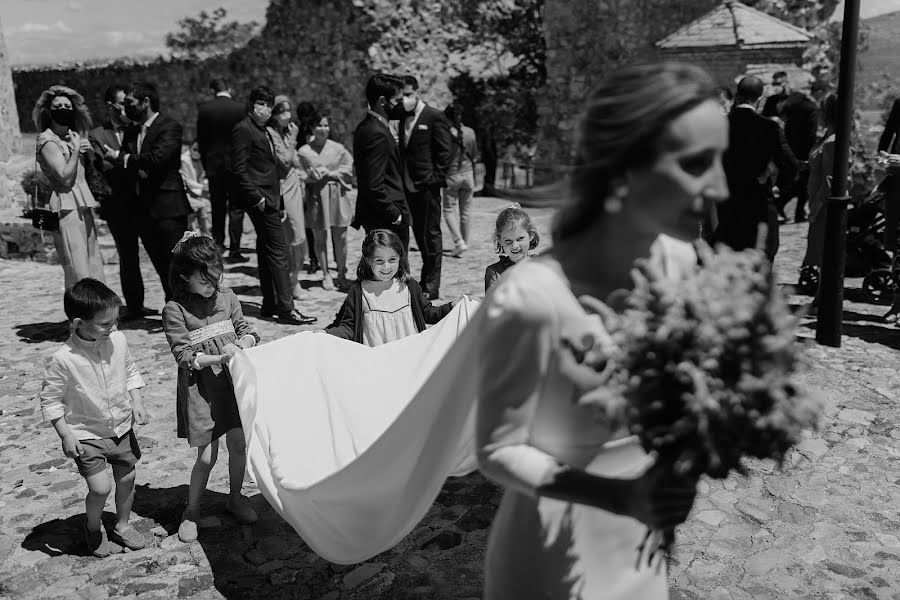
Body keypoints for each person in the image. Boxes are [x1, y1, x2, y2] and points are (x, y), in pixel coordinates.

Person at [475, 62, 725, 599]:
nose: (722, 187)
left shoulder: (679, 262)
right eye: (699, 163)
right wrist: (618, 497)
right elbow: (496, 450)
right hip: (548, 561)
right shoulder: (532, 297)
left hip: (641, 550)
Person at [161, 233, 261, 542]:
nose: (212, 287)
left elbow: (245, 329)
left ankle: (235, 497)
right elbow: (183, 355)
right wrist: (218, 356)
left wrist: (244, 343)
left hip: (233, 383)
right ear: (183, 276)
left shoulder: (227, 296)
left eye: (216, 280)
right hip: (202, 389)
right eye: (205, 282)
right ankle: (191, 510)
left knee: (239, 445)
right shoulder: (175, 309)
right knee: (206, 456)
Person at [39, 278, 150, 557]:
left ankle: (123, 525)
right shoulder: (64, 359)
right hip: (86, 433)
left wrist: (137, 401)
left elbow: (131, 371)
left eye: (116, 321)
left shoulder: (119, 340)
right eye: (105, 324)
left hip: (122, 428)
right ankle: (92, 525)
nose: (113, 328)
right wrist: (65, 434)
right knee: (100, 488)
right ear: (78, 323)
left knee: (127, 478)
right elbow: (50, 400)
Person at [232, 85, 317, 325]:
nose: (266, 109)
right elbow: (239, 169)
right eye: (262, 103)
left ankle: (270, 303)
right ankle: (286, 308)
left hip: (271, 197)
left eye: (269, 104)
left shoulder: (262, 129)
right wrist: (257, 198)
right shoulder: (244, 129)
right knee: (279, 251)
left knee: (266, 250)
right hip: (262, 200)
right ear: (252, 105)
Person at [104, 81, 192, 302]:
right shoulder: (133, 131)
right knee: (161, 265)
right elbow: (129, 166)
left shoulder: (169, 126)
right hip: (143, 209)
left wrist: (122, 159)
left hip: (168, 207)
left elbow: (156, 160)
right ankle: (173, 308)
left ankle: (189, 310)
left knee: (178, 264)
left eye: (130, 103)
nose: (125, 109)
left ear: (146, 102)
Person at [89, 83, 158, 321]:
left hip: (145, 204)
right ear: (111, 106)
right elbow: (104, 167)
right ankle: (135, 306)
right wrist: (130, 163)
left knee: (158, 254)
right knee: (128, 258)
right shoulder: (98, 134)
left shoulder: (138, 129)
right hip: (118, 205)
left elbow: (150, 160)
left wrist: (125, 160)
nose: (127, 108)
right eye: (123, 103)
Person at [325, 229, 458, 346]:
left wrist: (451, 307)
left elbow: (427, 313)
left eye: (392, 260)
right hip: (376, 361)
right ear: (368, 260)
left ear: (400, 259)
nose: (386, 267)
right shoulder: (359, 291)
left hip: (408, 356)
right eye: (379, 261)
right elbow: (349, 327)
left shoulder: (408, 286)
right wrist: (326, 334)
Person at [716, 75, 798, 260]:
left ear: (737, 96)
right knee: (761, 259)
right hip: (759, 200)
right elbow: (791, 165)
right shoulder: (769, 127)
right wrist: (779, 187)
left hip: (727, 203)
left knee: (728, 260)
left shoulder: (720, 125)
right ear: (759, 98)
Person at [33, 85, 106, 288]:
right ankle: (83, 311)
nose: (64, 108)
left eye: (67, 105)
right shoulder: (46, 140)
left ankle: (99, 311)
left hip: (82, 204)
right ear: (48, 111)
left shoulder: (72, 137)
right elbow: (64, 177)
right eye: (58, 105)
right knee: (77, 263)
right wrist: (75, 152)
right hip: (65, 205)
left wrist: (88, 152)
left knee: (92, 260)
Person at [399, 75, 453, 300]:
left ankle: (432, 284)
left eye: (408, 94)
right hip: (407, 187)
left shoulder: (434, 116)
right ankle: (418, 280)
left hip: (427, 188)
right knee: (416, 236)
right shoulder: (402, 118)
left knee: (430, 235)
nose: (405, 99)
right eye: (402, 95)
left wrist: (434, 179)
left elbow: (445, 152)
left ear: (417, 92)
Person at [352, 74, 411, 249]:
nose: (401, 105)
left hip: (379, 216)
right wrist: (394, 214)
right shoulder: (375, 132)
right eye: (398, 100)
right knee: (392, 272)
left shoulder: (368, 126)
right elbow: (373, 183)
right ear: (383, 101)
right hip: (384, 219)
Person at [299, 112, 355, 291]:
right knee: (319, 237)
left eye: (326, 125)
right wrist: (310, 176)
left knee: (342, 237)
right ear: (312, 128)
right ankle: (325, 273)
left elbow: (348, 169)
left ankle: (341, 273)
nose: (323, 129)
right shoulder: (304, 151)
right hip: (316, 196)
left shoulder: (338, 148)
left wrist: (332, 173)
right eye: (319, 125)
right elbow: (298, 174)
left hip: (336, 194)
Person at [196, 78, 247, 261]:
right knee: (236, 207)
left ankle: (218, 244)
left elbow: (201, 142)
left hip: (214, 166)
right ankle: (235, 248)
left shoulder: (205, 110)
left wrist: (205, 165)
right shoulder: (240, 108)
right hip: (236, 165)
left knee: (217, 207)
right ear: (229, 88)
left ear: (212, 91)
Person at [267, 96, 310, 302]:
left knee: (298, 238)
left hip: (294, 190)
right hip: (284, 192)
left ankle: (295, 279)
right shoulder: (273, 133)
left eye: (288, 110)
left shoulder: (284, 133)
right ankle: (289, 283)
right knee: (290, 237)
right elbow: (284, 161)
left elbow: (293, 159)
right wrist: (294, 137)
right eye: (282, 111)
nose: (287, 115)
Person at [799, 93, 839, 298]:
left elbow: (832, 181)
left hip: (824, 206)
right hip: (818, 202)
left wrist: (816, 207)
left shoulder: (833, 141)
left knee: (825, 254)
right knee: (822, 253)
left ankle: (825, 296)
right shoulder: (828, 137)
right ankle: (822, 295)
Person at [442, 104, 478, 257]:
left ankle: (459, 242)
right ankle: (465, 242)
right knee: (466, 211)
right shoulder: (470, 132)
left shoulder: (445, 133)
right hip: (468, 174)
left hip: (452, 175)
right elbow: (474, 156)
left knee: (448, 210)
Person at [484, 203, 539, 293]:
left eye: (520, 239)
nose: (515, 246)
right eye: (508, 241)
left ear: (531, 236)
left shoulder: (542, 265)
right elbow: (492, 304)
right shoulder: (495, 273)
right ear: (500, 240)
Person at [180, 141, 213, 237]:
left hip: (201, 190)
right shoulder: (184, 160)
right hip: (190, 192)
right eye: (194, 149)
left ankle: (207, 233)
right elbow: (187, 181)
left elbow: (202, 176)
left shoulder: (202, 157)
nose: (196, 151)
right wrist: (203, 188)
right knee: (203, 205)